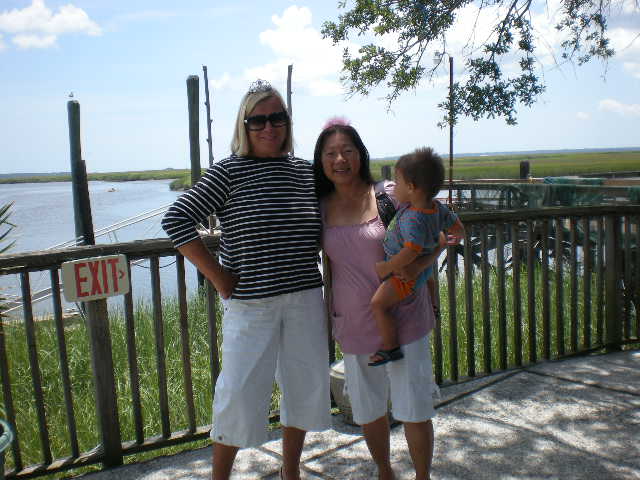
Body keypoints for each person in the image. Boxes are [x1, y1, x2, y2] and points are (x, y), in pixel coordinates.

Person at [162, 79, 330, 480]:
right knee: (237, 395)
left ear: (288, 122)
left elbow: (341, 217)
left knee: (303, 389)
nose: (269, 127)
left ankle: (292, 471)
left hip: (305, 297)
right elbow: (176, 220)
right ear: (244, 124)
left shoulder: (307, 172)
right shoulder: (228, 172)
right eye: (258, 120)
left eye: (277, 118)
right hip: (251, 305)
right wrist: (218, 276)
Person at [313, 119, 442, 480]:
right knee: (369, 408)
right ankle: (384, 470)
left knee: (414, 406)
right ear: (321, 161)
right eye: (331, 153)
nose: (340, 159)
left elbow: (427, 236)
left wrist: (431, 291)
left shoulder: (387, 195)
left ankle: (421, 476)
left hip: (406, 317)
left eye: (348, 151)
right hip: (353, 322)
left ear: (360, 154)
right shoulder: (319, 207)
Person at [369, 147, 464, 366]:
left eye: (398, 182)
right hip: (424, 270)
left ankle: (390, 347)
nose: (395, 188)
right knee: (428, 279)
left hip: (404, 275)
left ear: (411, 188)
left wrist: (387, 267)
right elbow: (457, 227)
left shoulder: (413, 218)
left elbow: (410, 251)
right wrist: (454, 238)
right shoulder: (437, 208)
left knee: (378, 304)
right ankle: (433, 306)